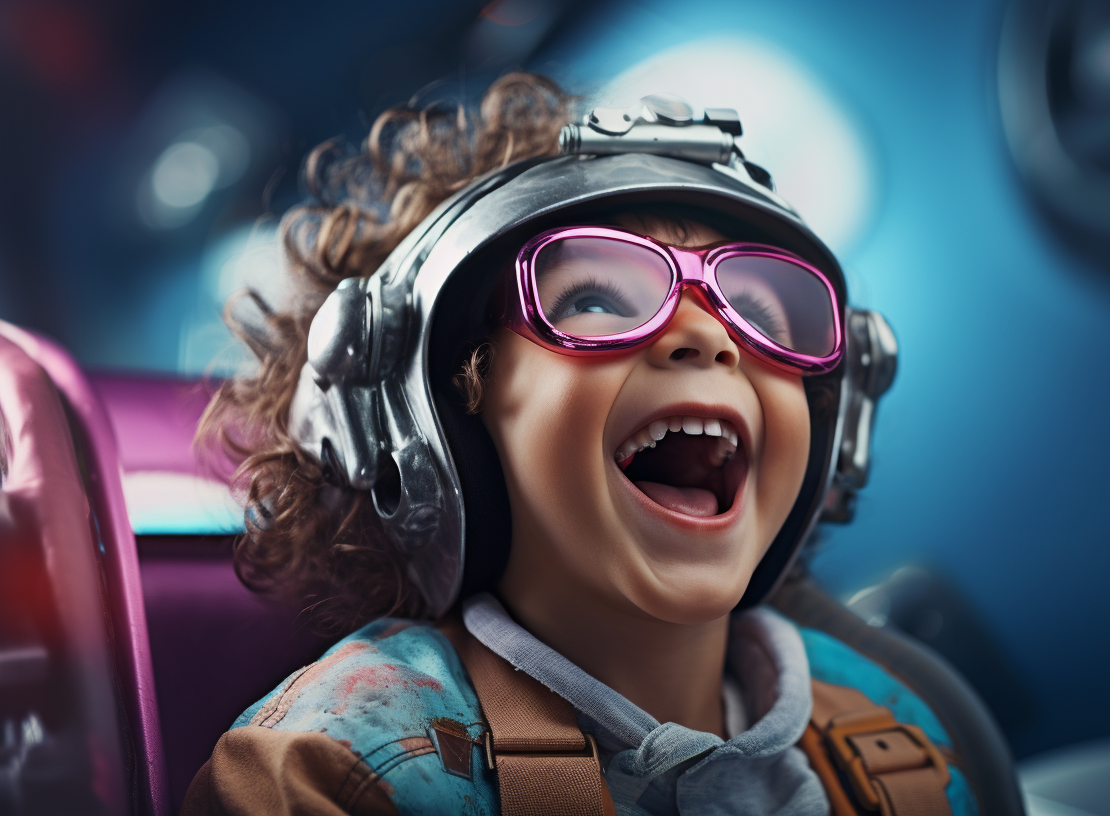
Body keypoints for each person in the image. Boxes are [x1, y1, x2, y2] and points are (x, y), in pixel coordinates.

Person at [183, 72, 975, 816]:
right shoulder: (337, 773)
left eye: (762, 316)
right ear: (432, 420)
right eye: (595, 296)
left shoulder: (902, 733)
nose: (708, 335)